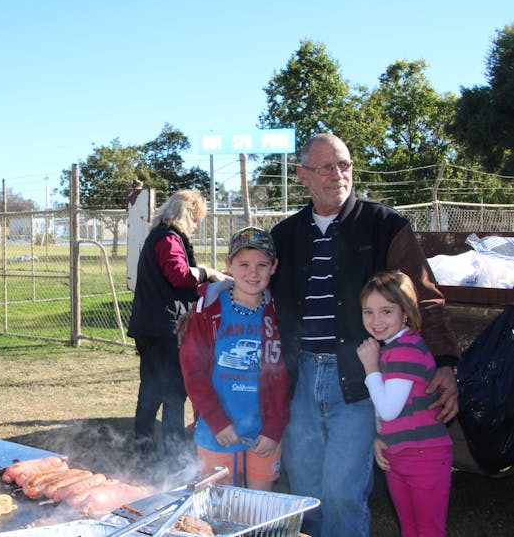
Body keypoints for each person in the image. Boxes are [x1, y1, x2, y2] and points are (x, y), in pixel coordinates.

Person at [269, 133, 459, 537]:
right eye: (325, 167)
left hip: (359, 379)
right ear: (303, 176)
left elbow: (424, 297)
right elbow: (252, 289)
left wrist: (444, 362)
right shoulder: (283, 237)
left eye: (345, 165)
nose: (338, 175)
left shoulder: (385, 225)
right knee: (305, 492)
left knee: (342, 493)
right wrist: (206, 308)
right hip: (298, 380)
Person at [180, 227, 289, 490]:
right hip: (216, 429)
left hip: (263, 432)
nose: (253, 272)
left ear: (274, 267)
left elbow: (283, 376)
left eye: (262, 264)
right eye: (244, 264)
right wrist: (217, 421)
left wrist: (274, 427)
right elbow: (193, 372)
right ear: (229, 265)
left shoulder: (279, 313)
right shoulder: (208, 311)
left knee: (259, 506)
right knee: (219, 507)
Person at [127, 188, 227, 465]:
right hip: (163, 328)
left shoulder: (157, 236)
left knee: (151, 389)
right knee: (174, 391)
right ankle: (172, 453)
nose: (196, 226)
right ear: (187, 215)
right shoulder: (169, 238)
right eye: (196, 220)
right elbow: (180, 276)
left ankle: (144, 450)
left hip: (150, 326)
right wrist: (208, 273)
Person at [357, 270, 452, 537]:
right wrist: (378, 437)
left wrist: (370, 368)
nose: (376, 320)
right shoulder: (390, 348)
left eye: (386, 311)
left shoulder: (405, 349)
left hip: (424, 456)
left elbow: (388, 410)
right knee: (410, 529)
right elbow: (384, 408)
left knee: (427, 530)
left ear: (406, 311)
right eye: (368, 311)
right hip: (399, 455)